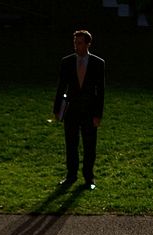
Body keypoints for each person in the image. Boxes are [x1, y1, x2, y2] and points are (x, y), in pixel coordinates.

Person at [53, 30, 105, 190]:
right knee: (71, 144)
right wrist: (57, 110)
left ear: (88, 43)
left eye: (80, 43)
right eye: (75, 42)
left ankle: (89, 178)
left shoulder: (98, 63)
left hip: (89, 111)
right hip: (71, 110)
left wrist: (98, 114)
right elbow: (61, 86)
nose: (76, 46)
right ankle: (71, 175)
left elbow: (100, 90)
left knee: (90, 146)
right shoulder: (67, 62)